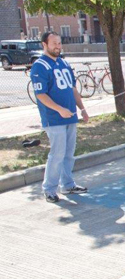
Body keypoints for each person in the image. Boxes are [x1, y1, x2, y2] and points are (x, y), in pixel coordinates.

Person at [30, 32, 89, 203]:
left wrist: (82, 109)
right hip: (54, 119)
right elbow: (40, 94)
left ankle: (68, 185)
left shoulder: (63, 63)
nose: (58, 46)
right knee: (57, 154)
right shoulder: (39, 66)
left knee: (69, 153)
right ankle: (49, 189)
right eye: (54, 43)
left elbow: (73, 89)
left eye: (59, 43)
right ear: (44, 45)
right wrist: (59, 109)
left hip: (70, 117)